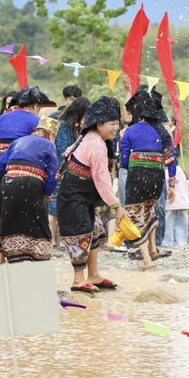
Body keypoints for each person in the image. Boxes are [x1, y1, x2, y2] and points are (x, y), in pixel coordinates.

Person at [57, 96, 123, 291]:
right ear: (99, 124)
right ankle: (78, 279)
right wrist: (117, 207)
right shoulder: (96, 145)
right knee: (80, 233)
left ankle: (93, 275)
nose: (116, 128)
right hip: (73, 195)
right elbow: (102, 181)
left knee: (94, 231)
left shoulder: (94, 138)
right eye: (112, 124)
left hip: (86, 197)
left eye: (117, 124)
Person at [0, 86, 49, 260]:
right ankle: (22, 252)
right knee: (20, 208)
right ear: (35, 105)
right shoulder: (36, 122)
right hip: (18, 166)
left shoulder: (2, 118)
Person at [120, 89, 177, 269]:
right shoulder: (161, 131)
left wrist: (136, 165)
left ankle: (146, 259)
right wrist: (172, 183)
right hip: (157, 177)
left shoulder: (130, 131)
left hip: (137, 177)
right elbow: (170, 159)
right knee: (149, 210)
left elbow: (123, 160)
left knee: (136, 216)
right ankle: (153, 248)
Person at [0, 117, 59, 264]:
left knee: (10, 220)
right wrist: (46, 194)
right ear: (51, 134)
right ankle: (38, 261)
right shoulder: (49, 145)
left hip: (8, 182)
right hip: (31, 183)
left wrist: (14, 173)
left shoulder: (19, 141)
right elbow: (52, 175)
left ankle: (13, 260)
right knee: (38, 222)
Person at [52, 97, 90, 245]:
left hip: (71, 171)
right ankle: (55, 240)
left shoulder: (75, 127)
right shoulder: (62, 126)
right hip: (61, 170)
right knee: (56, 207)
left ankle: (63, 239)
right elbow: (62, 149)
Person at [162, 169, 189, 248]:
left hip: (170, 201)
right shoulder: (186, 174)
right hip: (182, 202)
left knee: (169, 222)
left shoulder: (165, 172)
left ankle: (168, 241)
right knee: (181, 222)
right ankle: (181, 242)